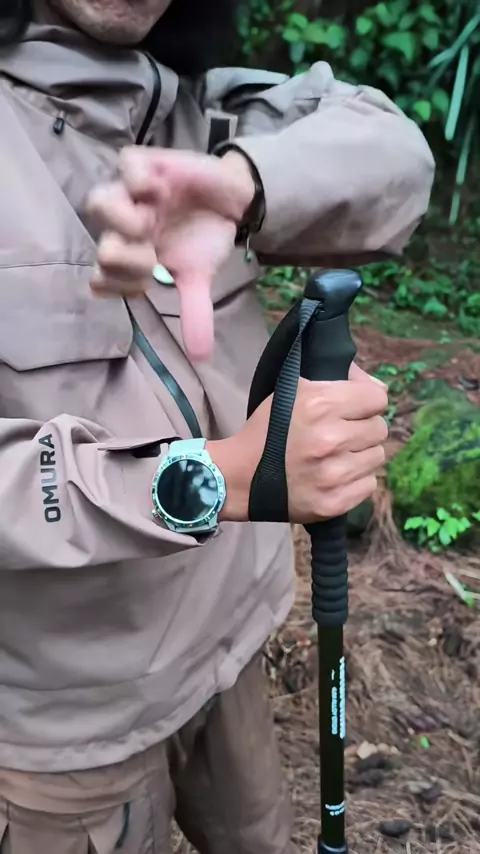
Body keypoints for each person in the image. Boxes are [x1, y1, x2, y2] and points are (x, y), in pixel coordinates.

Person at [0, 1, 434, 851]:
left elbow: (397, 154)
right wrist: (217, 478)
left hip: (231, 643)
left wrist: (244, 185)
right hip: (68, 725)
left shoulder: (198, 106)